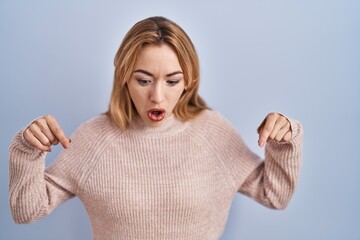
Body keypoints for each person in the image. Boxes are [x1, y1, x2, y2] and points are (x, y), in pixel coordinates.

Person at [9, 16, 303, 240]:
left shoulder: (212, 132)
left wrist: (284, 141)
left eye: (172, 81)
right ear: (124, 77)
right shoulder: (94, 139)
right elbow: (27, 211)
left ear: (188, 81)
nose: (157, 96)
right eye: (144, 80)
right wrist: (28, 148)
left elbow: (274, 195)